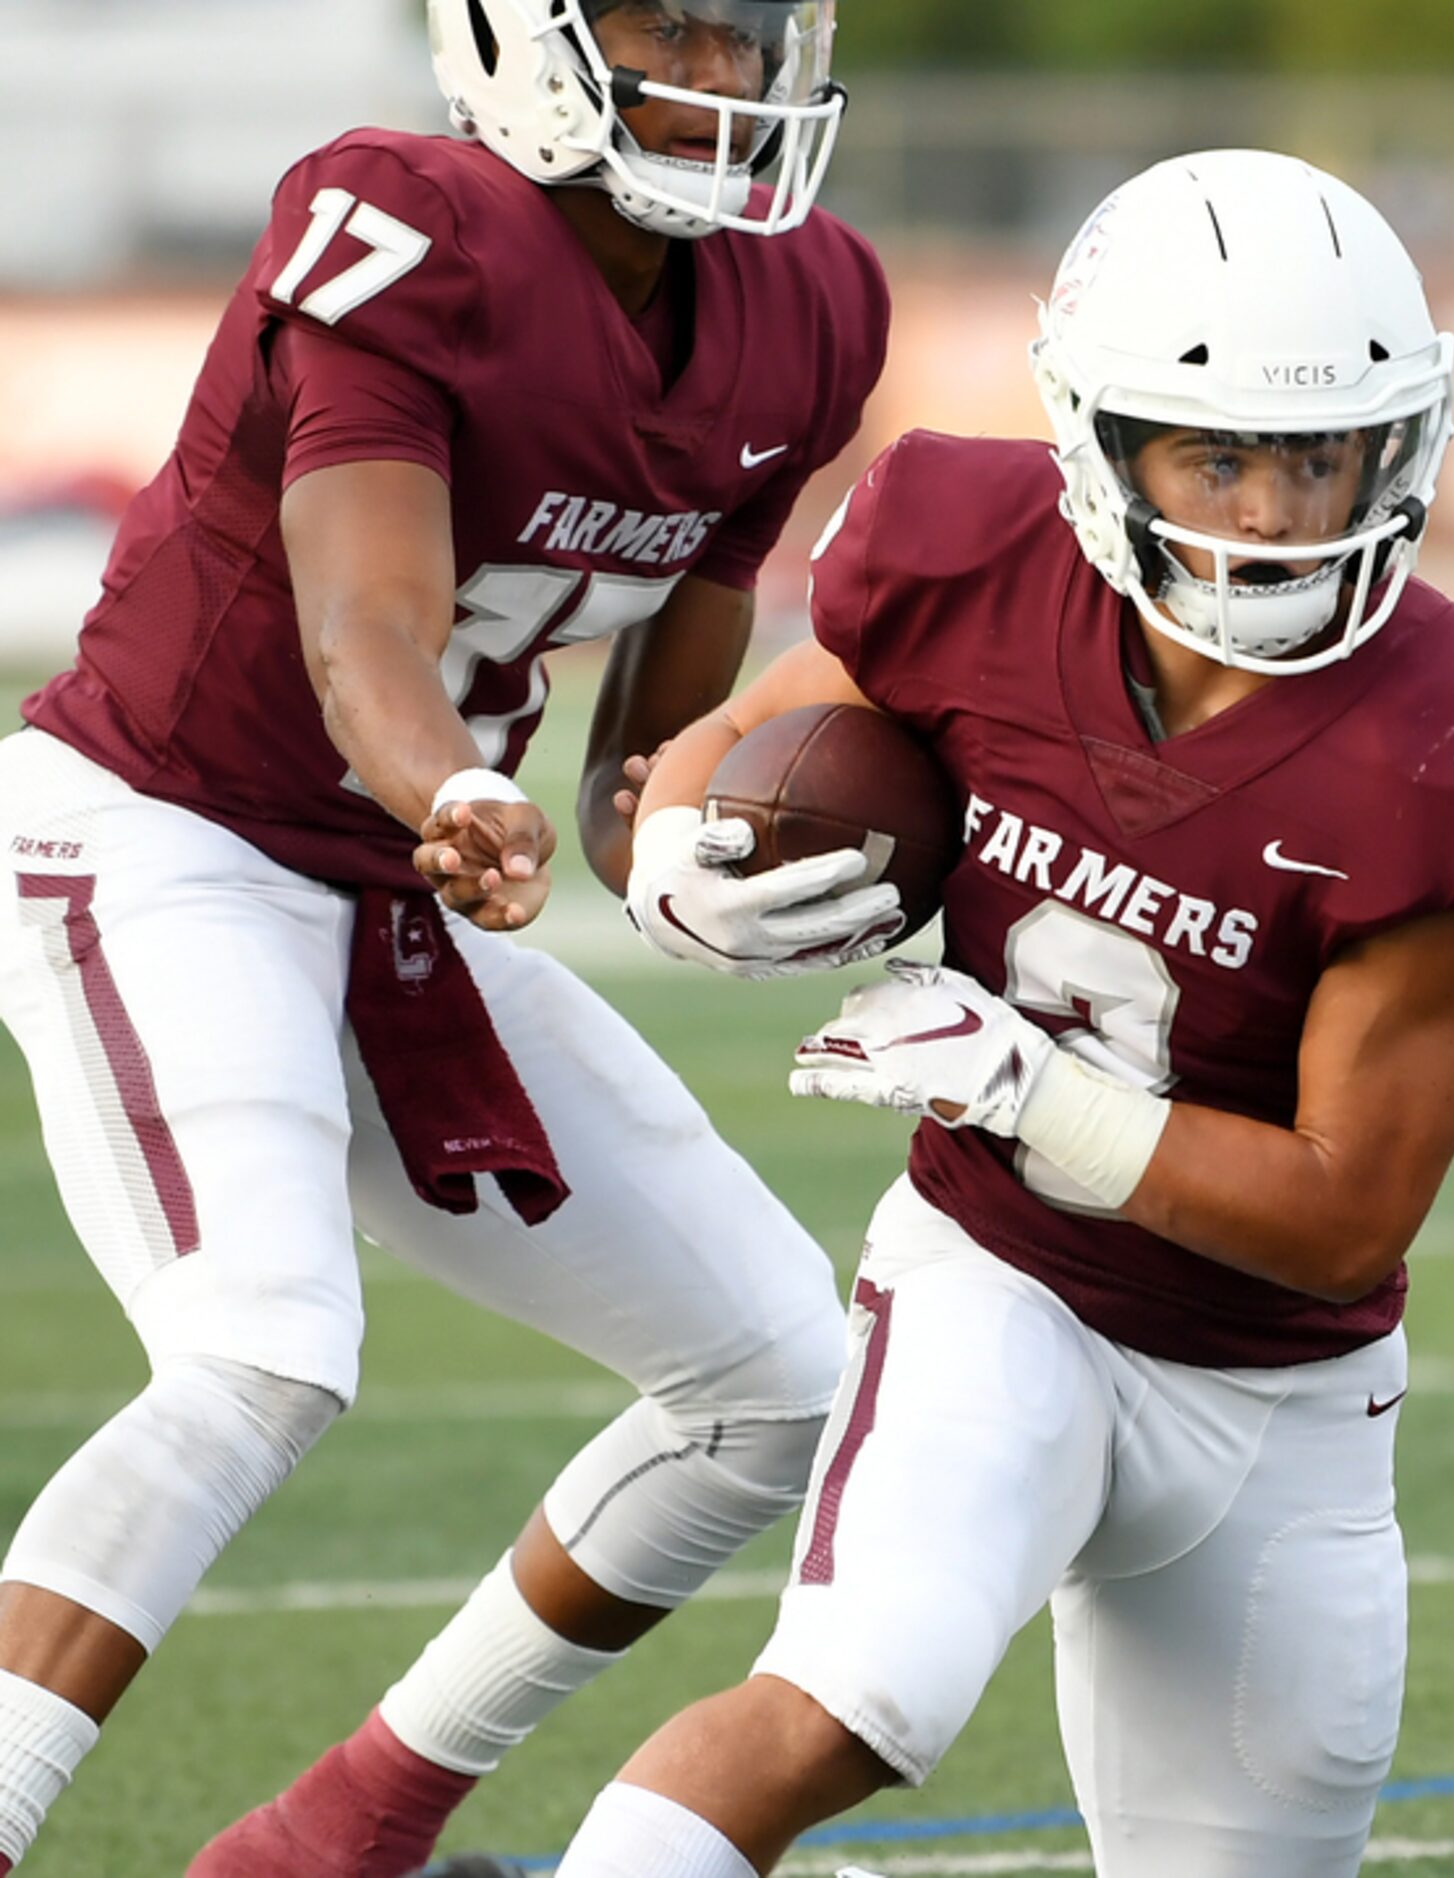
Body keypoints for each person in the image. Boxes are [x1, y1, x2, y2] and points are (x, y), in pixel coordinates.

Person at [484, 147, 1454, 1878]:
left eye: (1318, 451)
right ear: (1099, 438)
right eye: (1220, 450)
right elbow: (758, 730)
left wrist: (1027, 1080)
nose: (1272, 513)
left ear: (1396, 440)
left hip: (1280, 1394)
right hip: (999, 1285)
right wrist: (668, 854)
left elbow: (1340, 1218)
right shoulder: (969, 550)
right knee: (853, 1690)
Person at [0, 5, 892, 1874]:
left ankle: (334, 1837)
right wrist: (452, 792)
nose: (723, 80)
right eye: (670, 25)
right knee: (262, 1346)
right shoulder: (404, 224)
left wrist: (684, 854)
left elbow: (660, 733)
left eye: (754, 34)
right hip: (167, 827)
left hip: (396, 884)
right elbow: (367, 634)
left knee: (780, 1377)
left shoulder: (808, 303)